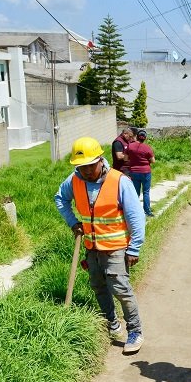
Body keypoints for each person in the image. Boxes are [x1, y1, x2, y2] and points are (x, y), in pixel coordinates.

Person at [54, 136, 146, 355]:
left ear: (100, 160)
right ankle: (111, 322)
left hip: (116, 248)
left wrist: (134, 247)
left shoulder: (120, 181)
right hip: (92, 246)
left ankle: (135, 331)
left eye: (90, 165)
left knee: (121, 289)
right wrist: (73, 222)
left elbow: (136, 217)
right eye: (81, 166)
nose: (86, 171)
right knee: (98, 285)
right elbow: (60, 199)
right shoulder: (74, 180)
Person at [127, 129, 156, 217]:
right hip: (146, 172)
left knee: (135, 192)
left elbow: (125, 158)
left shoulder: (130, 146)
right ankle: (147, 211)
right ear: (145, 138)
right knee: (146, 192)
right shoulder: (147, 148)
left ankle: (135, 211)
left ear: (136, 136)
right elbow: (153, 161)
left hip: (134, 172)